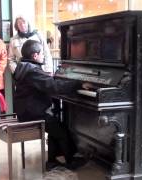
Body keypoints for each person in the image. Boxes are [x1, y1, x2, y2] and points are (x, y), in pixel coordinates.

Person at [13, 40, 92, 171]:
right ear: (35, 56)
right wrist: (78, 84)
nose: (43, 56)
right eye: (42, 54)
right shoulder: (32, 71)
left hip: (26, 111)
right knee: (61, 130)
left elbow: (47, 83)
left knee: (55, 125)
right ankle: (71, 160)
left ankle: (52, 161)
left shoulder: (24, 66)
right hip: (31, 113)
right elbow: (53, 86)